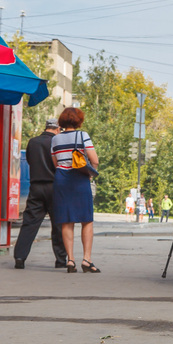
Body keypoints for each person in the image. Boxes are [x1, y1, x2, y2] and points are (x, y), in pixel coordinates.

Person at [50, 107, 100, 273]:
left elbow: (55, 163)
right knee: (87, 220)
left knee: (67, 220)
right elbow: (94, 160)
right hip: (79, 179)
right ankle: (86, 259)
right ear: (79, 120)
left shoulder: (55, 139)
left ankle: (70, 260)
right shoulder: (82, 136)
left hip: (61, 180)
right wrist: (90, 173)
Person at [13, 119, 68, 269]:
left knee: (30, 222)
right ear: (57, 129)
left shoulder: (33, 142)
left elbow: (30, 161)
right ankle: (61, 260)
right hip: (55, 187)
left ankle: (20, 256)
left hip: (36, 186)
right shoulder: (58, 143)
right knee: (58, 224)